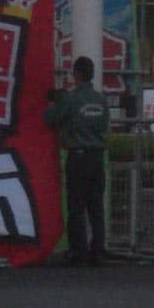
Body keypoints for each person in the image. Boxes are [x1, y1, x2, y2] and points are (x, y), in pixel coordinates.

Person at [44, 56, 110, 266]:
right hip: (97, 157)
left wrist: (53, 102)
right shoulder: (101, 100)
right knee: (96, 207)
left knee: (76, 206)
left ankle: (78, 252)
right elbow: (104, 126)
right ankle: (98, 251)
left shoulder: (71, 99)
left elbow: (50, 119)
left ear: (76, 74)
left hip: (78, 157)